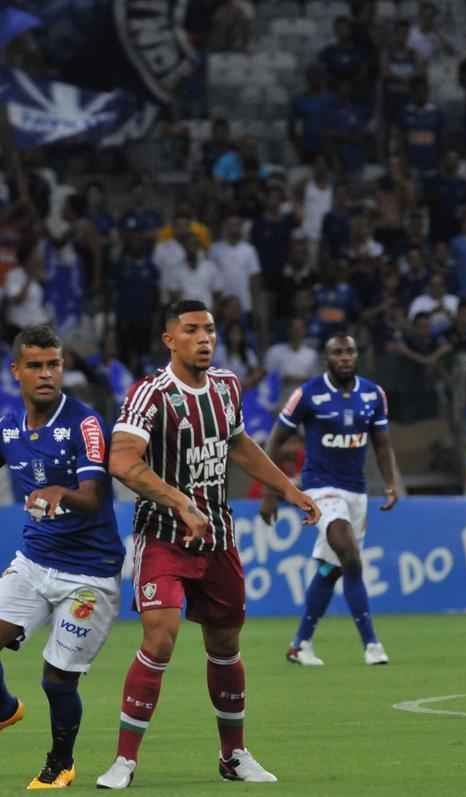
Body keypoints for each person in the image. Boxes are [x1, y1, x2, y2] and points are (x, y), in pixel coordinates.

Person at [95, 300, 321, 789]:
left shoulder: (226, 387)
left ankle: (233, 755)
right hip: (163, 536)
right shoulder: (149, 395)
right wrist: (180, 502)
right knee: (160, 637)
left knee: (224, 645)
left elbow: (238, 444)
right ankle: (124, 760)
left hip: (218, 537)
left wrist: (288, 488)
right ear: (169, 339)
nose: (204, 338)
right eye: (192, 330)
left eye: (211, 330)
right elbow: (122, 462)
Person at [0, 326, 125, 789]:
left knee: (57, 679)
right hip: (34, 562)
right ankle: (5, 709)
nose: (46, 374)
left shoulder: (85, 424)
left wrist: (61, 493)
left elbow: (92, 497)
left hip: (88, 574)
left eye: (53, 364)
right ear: (17, 371)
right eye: (35, 365)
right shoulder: (9, 426)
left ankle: (60, 763)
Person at [259, 335, 401, 667]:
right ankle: (372, 644)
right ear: (327, 359)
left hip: (356, 492)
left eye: (350, 351)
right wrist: (270, 492)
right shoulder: (307, 393)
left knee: (331, 568)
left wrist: (391, 484)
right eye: (337, 352)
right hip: (320, 490)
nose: (345, 357)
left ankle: (300, 645)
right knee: (350, 556)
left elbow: (381, 443)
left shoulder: (373, 393)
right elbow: (276, 440)